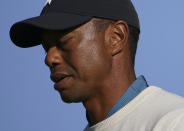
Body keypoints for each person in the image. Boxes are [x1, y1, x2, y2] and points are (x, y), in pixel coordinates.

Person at [10, 0, 184, 130]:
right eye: (46, 47)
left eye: (63, 42)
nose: (49, 58)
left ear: (116, 37)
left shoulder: (173, 122)